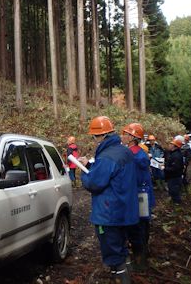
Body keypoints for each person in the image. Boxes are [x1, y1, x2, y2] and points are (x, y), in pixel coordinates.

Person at [79, 116, 138, 284]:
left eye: (94, 136)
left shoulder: (106, 156)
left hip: (109, 214)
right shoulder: (124, 151)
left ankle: (120, 278)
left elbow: (95, 183)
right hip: (125, 210)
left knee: (113, 252)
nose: (94, 140)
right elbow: (114, 175)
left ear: (101, 136)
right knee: (122, 247)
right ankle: (127, 273)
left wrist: (84, 171)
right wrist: (91, 166)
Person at [121, 123, 155, 271]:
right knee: (140, 227)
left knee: (140, 227)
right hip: (140, 194)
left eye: (125, 133)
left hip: (140, 195)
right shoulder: (136, 153)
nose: (122, 136)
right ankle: (140, 257)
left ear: (132, 138)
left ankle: (140, 261)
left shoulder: (135, 156)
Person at [164, 138, 184, 204]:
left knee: (175, 192)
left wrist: (165, 168)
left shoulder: (176, 156)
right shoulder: (172, 153)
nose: (169, 145)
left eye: (171, 144)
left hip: (175, 177)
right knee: (172, 191)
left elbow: (175, 168)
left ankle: (177, 206)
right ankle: (174, 203)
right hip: (172, 177)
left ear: (174, 146)